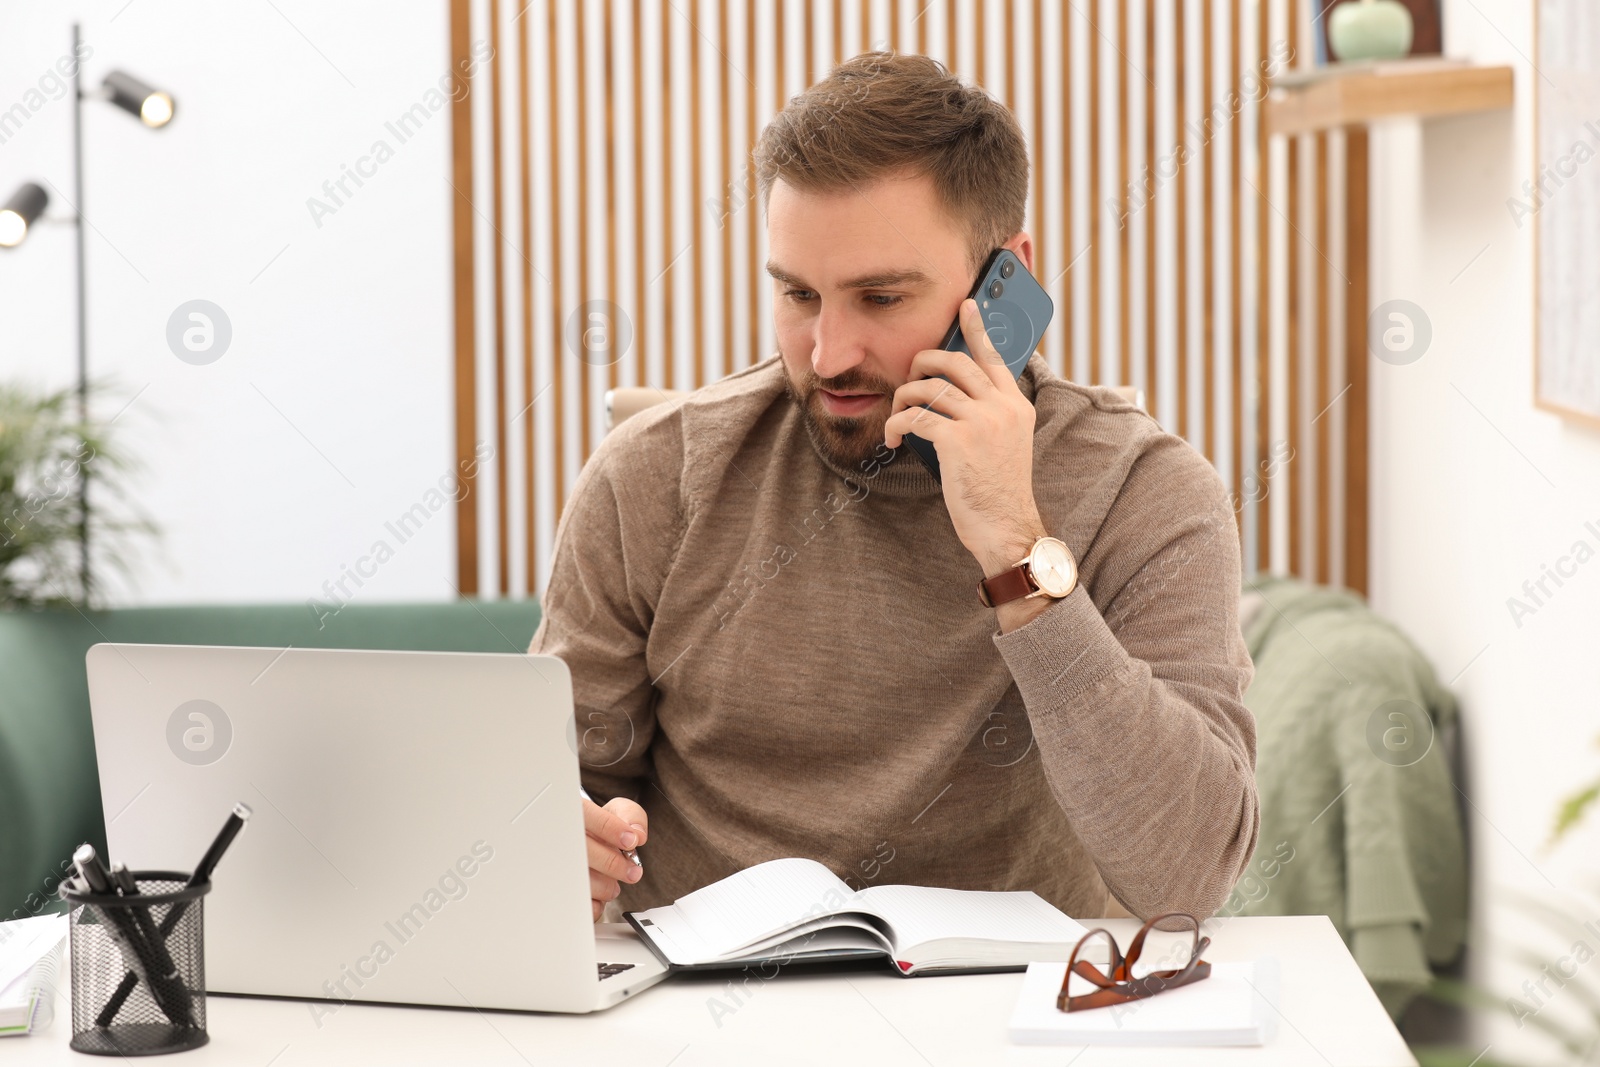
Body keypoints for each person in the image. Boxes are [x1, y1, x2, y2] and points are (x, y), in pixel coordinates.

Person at [528, 51, 1258, 924]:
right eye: (798, 294)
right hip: (711, 1015)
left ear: (1005, 276)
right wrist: (550, 836)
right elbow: (552, 792)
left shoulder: (1145, 490)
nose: (829, 354)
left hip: (1010, 1021)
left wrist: (1018, 551)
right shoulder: (653, 474)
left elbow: (1186, 877)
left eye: (879, 297)